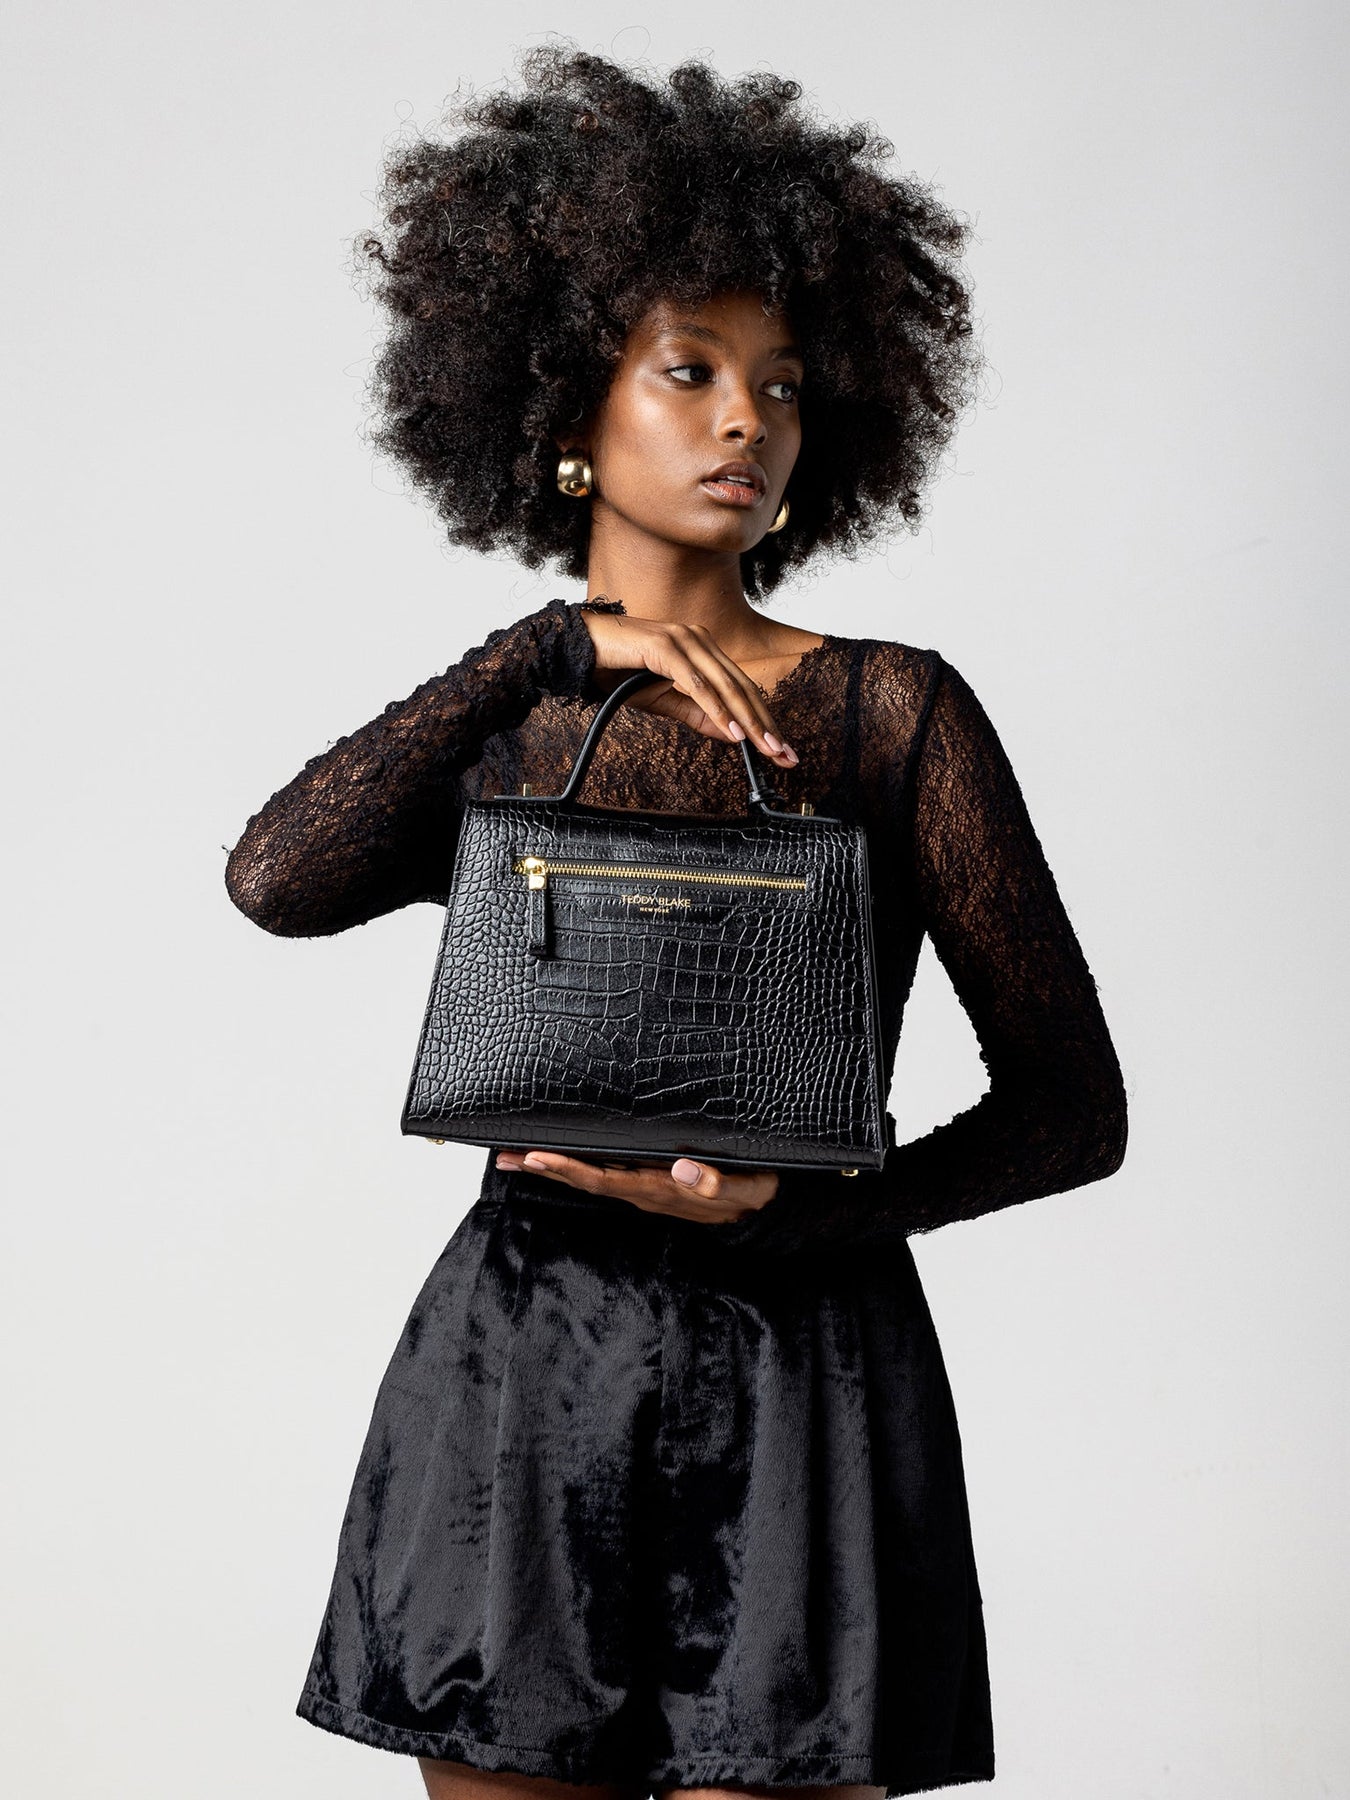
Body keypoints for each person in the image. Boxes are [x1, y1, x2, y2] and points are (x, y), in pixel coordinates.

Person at [224, 47, 1128, 1800]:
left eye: (780, 387)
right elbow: (277, 881)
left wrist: (805, 1210)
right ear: (568, 413)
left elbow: (1069, 1108)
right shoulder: (517, 719)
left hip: (803, 1372)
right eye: (690, 370)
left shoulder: (889, 712)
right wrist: (546, 650)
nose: (744, 422)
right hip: (519, 1369)